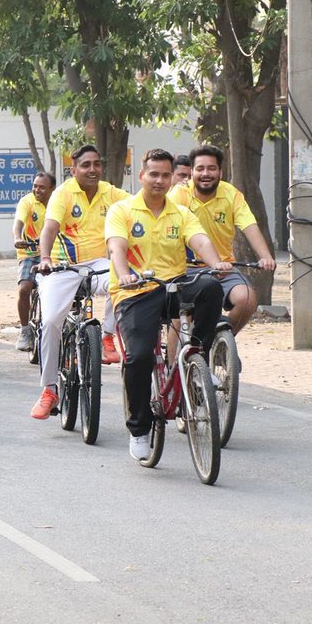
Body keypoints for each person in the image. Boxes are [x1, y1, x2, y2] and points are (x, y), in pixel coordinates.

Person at [107, 149, 230, 460]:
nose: (160, 181)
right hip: (136, 292)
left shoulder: (180, 213)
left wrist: (215, 262)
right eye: (154, 174)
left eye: (166, 175)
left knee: (210, 288)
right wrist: (124, 276)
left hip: (173, 288)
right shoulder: (122, 210)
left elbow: (199, 240)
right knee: (138, 359)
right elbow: (117, 248)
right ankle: (139, 430)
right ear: (141, 176)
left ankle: (195, 353)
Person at [29, 145, 128, 419]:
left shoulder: (112, 193)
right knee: (50, 322)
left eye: (97, 164)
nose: (92, 169)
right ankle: (49, 390)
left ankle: (107, 336)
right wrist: (46, 257)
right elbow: (49, 228)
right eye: (86, 165)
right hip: (62, 266)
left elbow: (139, 204)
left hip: (98, 264)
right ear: (74, 170)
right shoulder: (62, 193)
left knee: (124, 278)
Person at [168, 145, 277, 333]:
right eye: (200, 169)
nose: (206, 174)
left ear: (220, 171)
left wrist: (265, 256)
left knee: (248, 300)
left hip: (224, 268)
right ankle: (174, 361)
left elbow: (249, 226)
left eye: (212, 168)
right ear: (191, 172)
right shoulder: (179, 194)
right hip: (185, 269)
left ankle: (218, 342)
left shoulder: (231, 194)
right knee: (180, 317)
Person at [12, 171, 54, 351]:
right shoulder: (27, 201)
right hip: (29, 251)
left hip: (54, 253)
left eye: (42, 187)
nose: (37, 190)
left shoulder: (58, 202)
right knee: (24, 289)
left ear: (52, 189)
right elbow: (18, 223)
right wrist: (17, 237)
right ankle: (25, 330)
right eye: (35, 186)